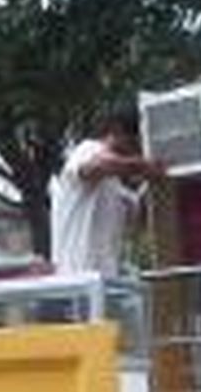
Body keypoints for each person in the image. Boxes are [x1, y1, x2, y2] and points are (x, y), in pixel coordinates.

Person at [50, 107, 164, 277]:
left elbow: (139, 221)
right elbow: (97, 166)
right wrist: (143, 166)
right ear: (117, 130)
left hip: (103, 284)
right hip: (76, 280)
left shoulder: (116, 189)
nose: (139, 147)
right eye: (135, 139)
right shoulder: (88, 149)